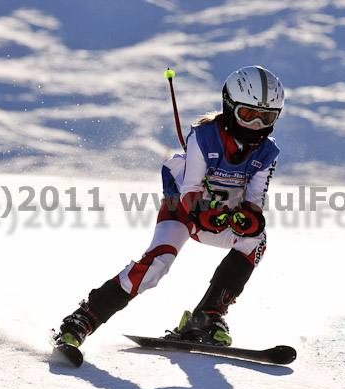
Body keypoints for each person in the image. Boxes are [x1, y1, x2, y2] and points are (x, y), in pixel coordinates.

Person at [55, 65, 285, 348]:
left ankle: (207, 316)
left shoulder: (268, 152)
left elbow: (255, 201)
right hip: (182, 212)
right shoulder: (203, 137)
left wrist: (248, 220)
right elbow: (189, 193)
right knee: (156, 266)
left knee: (256, 240)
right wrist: (205, 212)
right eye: (248, 114)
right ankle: (83, 320)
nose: (256, 125)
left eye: (266, 117)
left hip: (220, 217)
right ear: (229, 106)